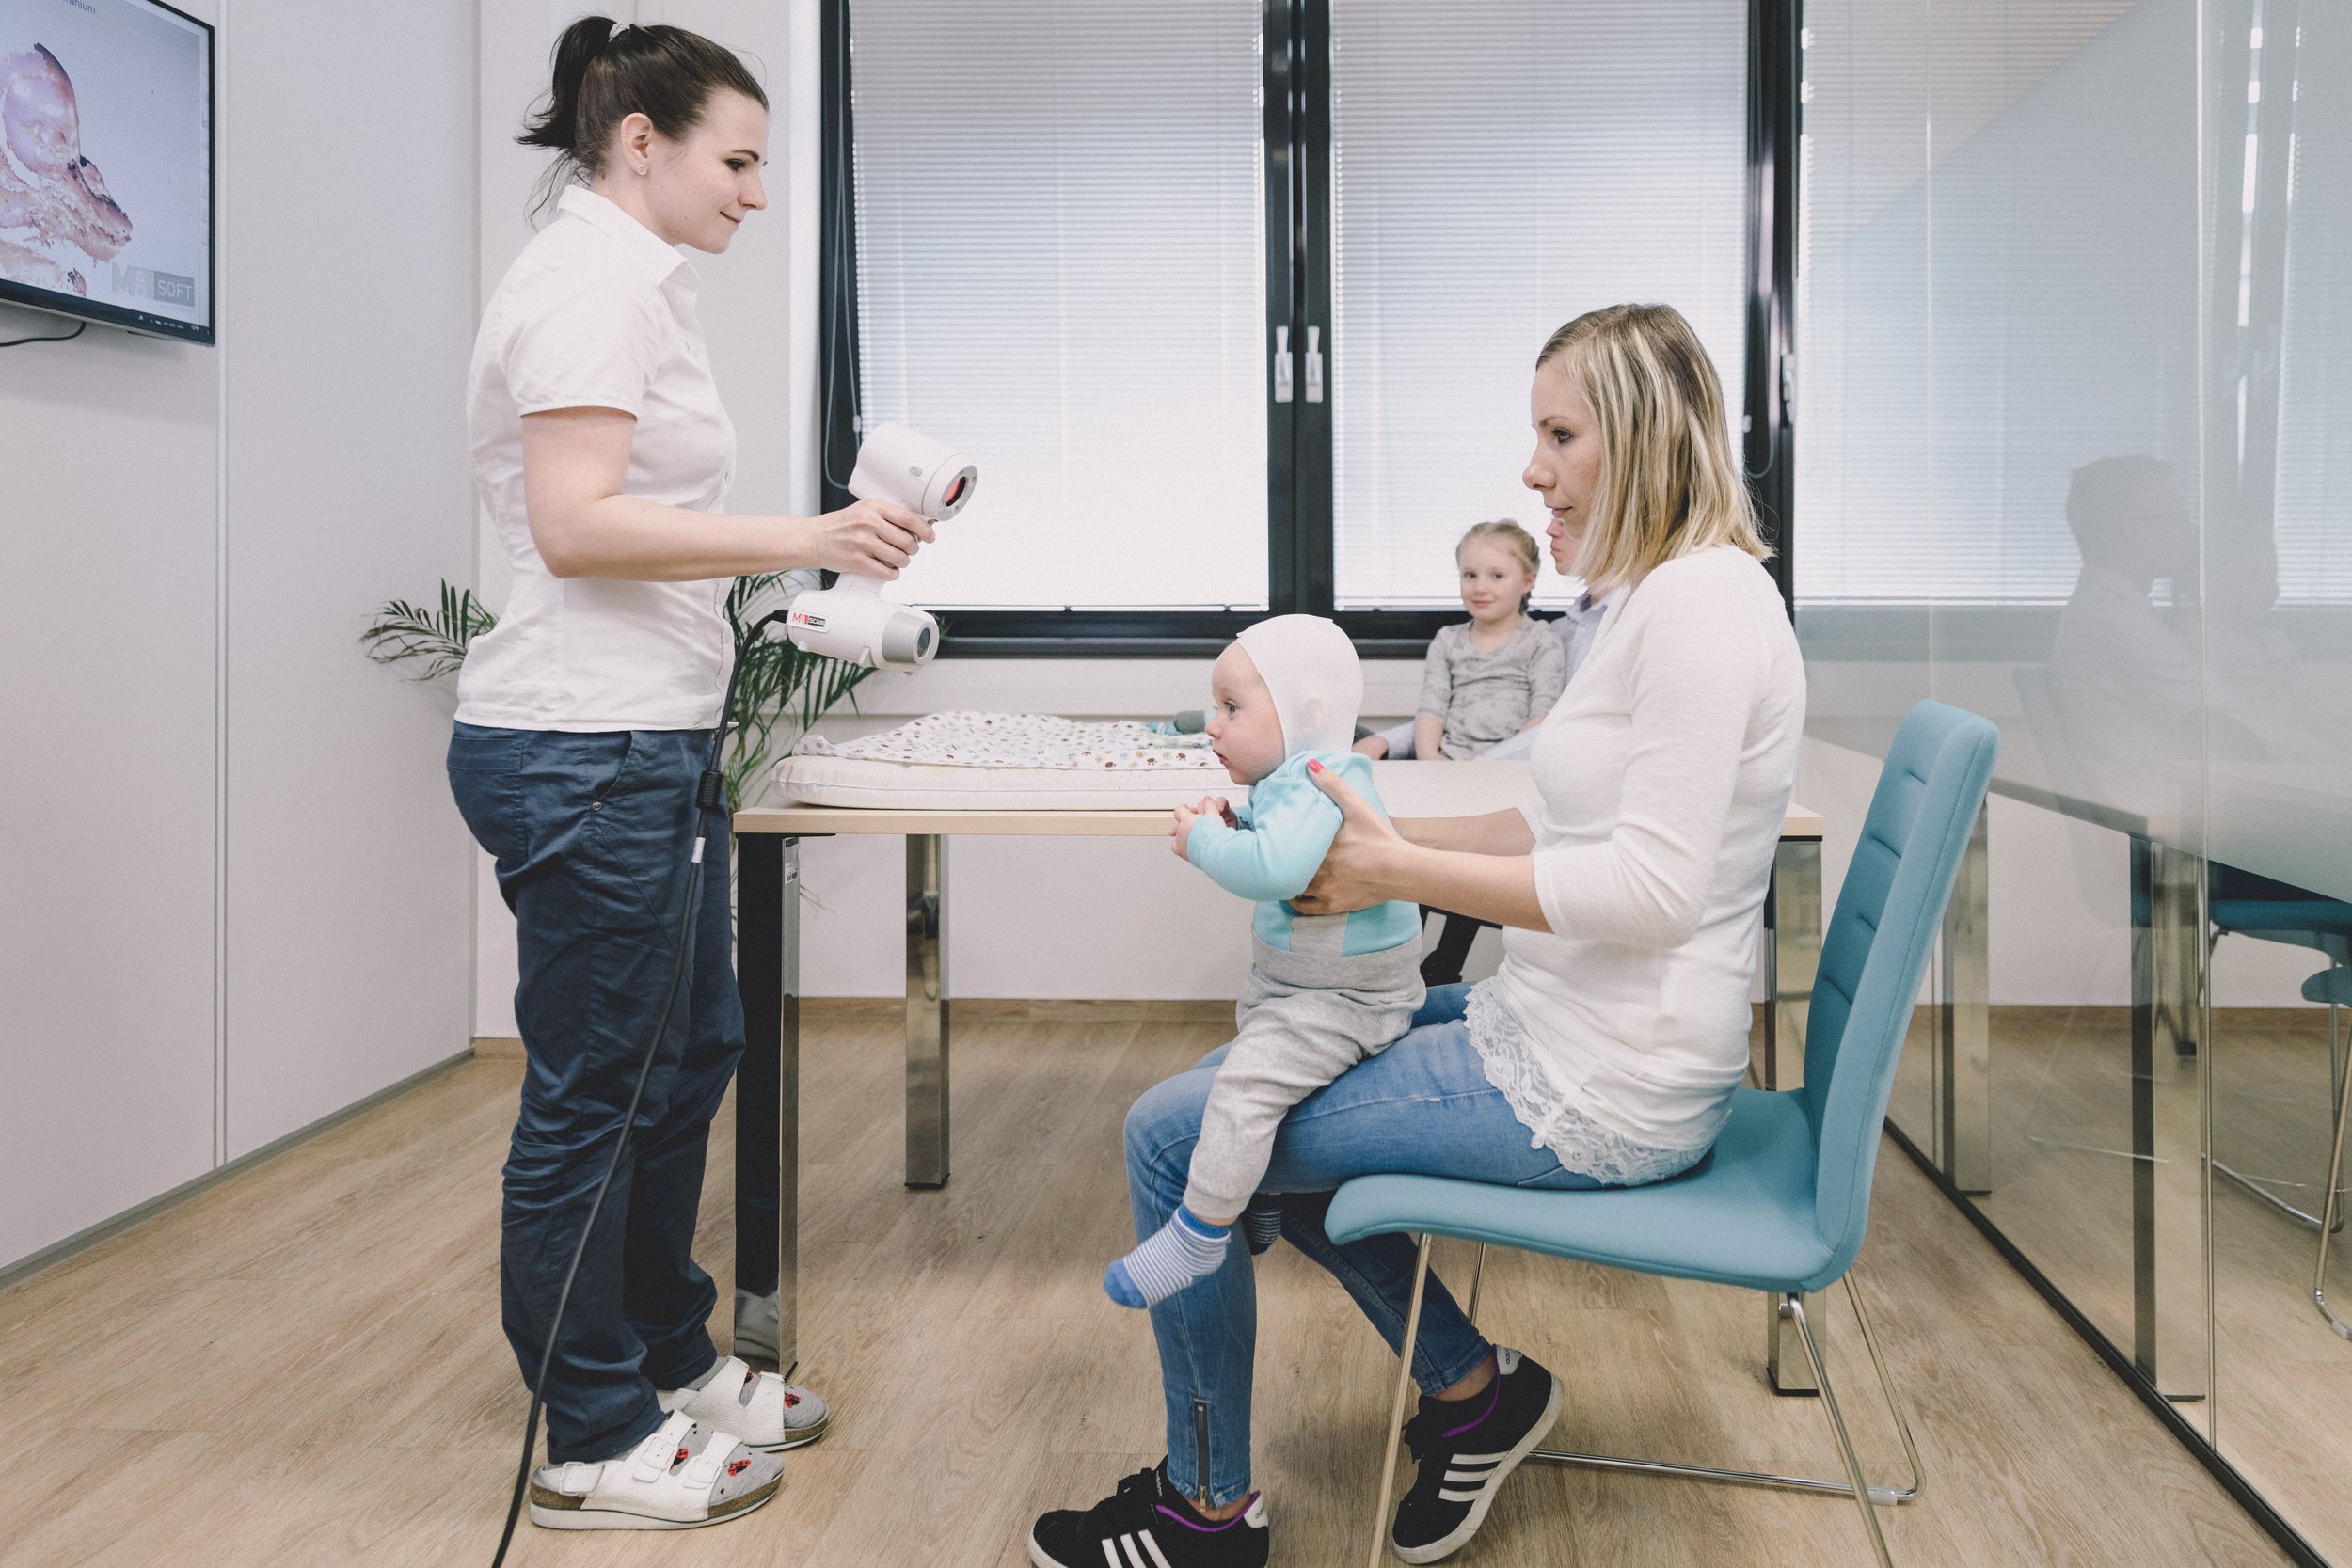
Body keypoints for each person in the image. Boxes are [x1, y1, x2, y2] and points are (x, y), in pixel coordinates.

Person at [1028, 302, 1804, 1568]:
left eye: (1561, 433)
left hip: (1606, 1076)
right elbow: (1546, 811)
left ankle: (1203, 1510)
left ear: (1647, 437)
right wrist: (1382, 837)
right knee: (1262, 1108)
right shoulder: (1641, 606)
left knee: (1175, 1133)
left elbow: (1654, 888)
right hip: (1557, 1026)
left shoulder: (1706, 608)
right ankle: (1469, 1389)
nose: (1533, 468)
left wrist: (1395, 863)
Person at [445, 17, 930, 1534]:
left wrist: (786, 587)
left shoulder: (639, 283)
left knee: (688, 1055)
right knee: (597, 1092)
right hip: (580, 743)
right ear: (638, 142)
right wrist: (810, 537)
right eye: (738, 159)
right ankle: (590, 1431)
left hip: (648, 732)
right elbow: (579, 524)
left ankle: (662, 1354)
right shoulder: (590, 284)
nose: (757, 192)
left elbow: (620, 532)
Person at [1104, 616, 1425, 1309]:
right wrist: (1237, 825)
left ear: (1304, 715)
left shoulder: (1318, 779)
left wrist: (1203, 844)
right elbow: (1280, 842)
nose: (1212, 726)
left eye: (1231, 707)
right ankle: (1267, 1191)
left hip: (1344, 1002)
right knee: (1241, 1060)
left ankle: (1198, 1231)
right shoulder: (1293, 780)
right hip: (1299, 989)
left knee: (1246, 1085)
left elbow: (1279, 869)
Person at [1410, 520, 1568, 761]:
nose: (1480, 587)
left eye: (1497, 576)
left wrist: (1498, 764)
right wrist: (1431, 761)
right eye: (1470, 575)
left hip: (1513, 764)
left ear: (1527, 582)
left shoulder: (1541, 642)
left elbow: (1542, 716)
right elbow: (1431, 710)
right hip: (1450, 763)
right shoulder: (1447, 640)